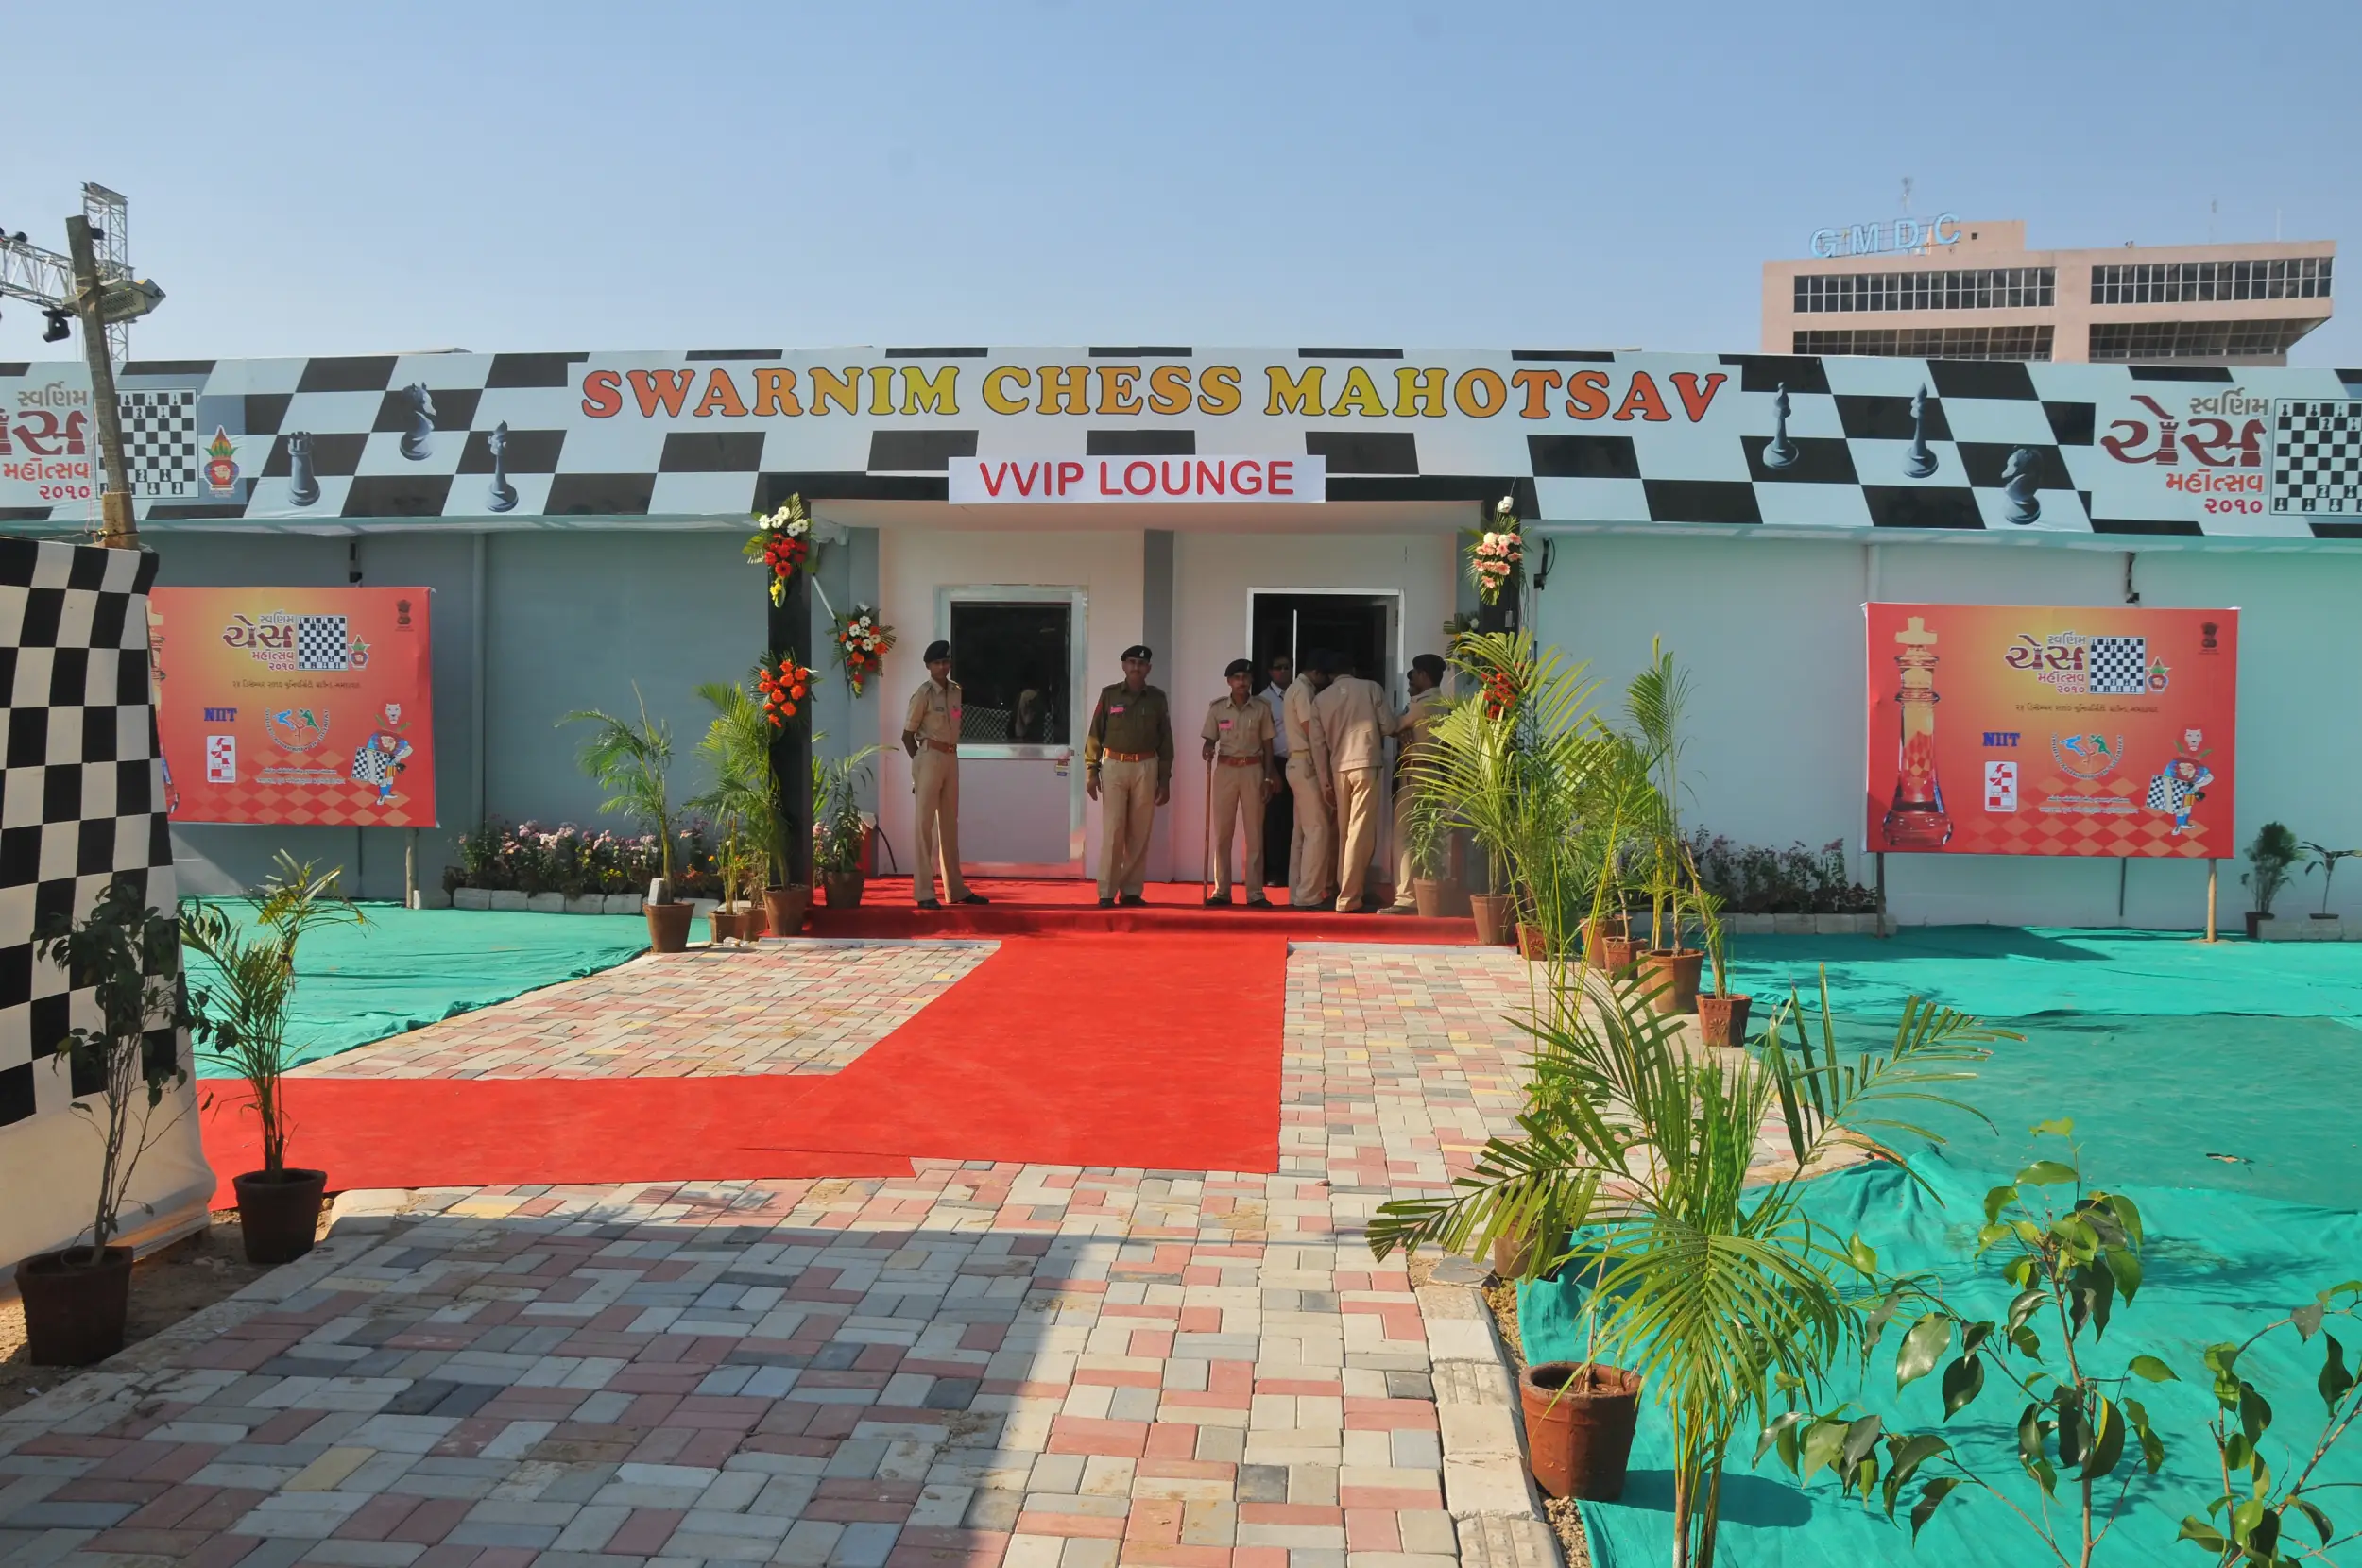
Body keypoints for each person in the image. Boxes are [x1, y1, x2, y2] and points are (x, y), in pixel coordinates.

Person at [1083, 644, 1174, 907]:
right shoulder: (1110, 695)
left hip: (1146, 766)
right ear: (1124, 665)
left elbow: (1165, 739)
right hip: (1114, 765)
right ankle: (1107, 892)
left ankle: (1132, 890)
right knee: (1114, 830)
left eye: (1141, 664)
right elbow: (1094, 734)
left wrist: (1164, 779)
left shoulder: (1157, 698)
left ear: (1149, 668)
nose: (1136, 667)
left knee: (1140, 831)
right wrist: (1091, 771)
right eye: (1132, 662)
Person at [902, 640, 990, 911]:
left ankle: (956, 889)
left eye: (945, 662)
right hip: (929, 755)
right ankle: (924, 892)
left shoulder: (955, 691)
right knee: (924, 826)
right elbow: (907, 735)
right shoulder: (924, 694)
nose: (942, 666)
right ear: (928, 666)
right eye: (937, 662)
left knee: (950, 824)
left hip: (951, 757)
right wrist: (919, 762)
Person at [1315, 650, 1395, 913]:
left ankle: (1346, 888)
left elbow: (1318, 745)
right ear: (1353, 668)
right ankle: (1349, 897)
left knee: (1345, 832)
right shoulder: (1372, 688)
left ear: (1328, 675)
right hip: (1364, 762)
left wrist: (1324, 780)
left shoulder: (1320, 699)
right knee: (1360, 831)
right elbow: (1388, 726)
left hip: (1338, 768)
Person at [1202, 657, 1278, 907]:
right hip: (1225, 769)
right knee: (1223, 833)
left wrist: (1268, 775)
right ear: (1229, 682)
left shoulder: (1262, 708)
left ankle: (1255, 893)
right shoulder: (1217, 708)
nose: (1241, 682)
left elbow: (1268, 745)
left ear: (1251, 680)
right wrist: (1208, 746)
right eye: (1236, 678)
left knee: (1255, 833)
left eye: (1245, 678)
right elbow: (1209, 739)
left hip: (1253, 770)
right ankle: (1221, 890)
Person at [1381, 654, 1449, 914]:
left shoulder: (1421, 705)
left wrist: (1401, 727)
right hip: (1434, 775)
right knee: (1427, 836)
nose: (1411, 678)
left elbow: (1391, 726)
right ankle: (1423, 893)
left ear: (1423, 675)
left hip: (1415, 775)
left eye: (1414, 673)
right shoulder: (1445, 703)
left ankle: (1406, 897)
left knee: (1405, 836)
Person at [1281, 651, 1335, 909]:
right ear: (1317, 673)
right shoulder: (1303, 690)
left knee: (1302, 832)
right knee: (1318, 830)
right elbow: (1309, 728)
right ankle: (1309, 894)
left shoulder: (1294, 688)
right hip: (1306, 763)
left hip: (1297, 762)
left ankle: (1298, 892)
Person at [1258, 654, 1294, 894]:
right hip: (1276, 763)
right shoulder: (1263, 700)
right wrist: (1271, 772)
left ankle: (1293, 871)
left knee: (1295, 820)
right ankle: (1274, 872)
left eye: (1286, 667)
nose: (1283, 672)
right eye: (1277, 668)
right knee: (1274, 820)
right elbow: (1262, 740)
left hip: (1299, 762)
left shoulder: (1298, 694)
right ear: (1270, 672)